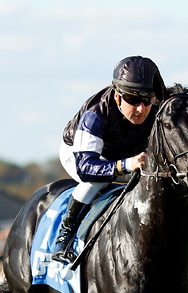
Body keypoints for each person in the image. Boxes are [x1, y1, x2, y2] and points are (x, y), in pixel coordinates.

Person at [53, 55, 165, 264]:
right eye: (132, 100)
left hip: (124, 154)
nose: (141, 109)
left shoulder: (157, 107)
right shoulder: (95, 114)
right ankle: (63, 237)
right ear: (117, 96)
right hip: (81, 155)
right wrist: (125, 165)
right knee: (98, 180)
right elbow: (86, 167)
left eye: (147, 100)